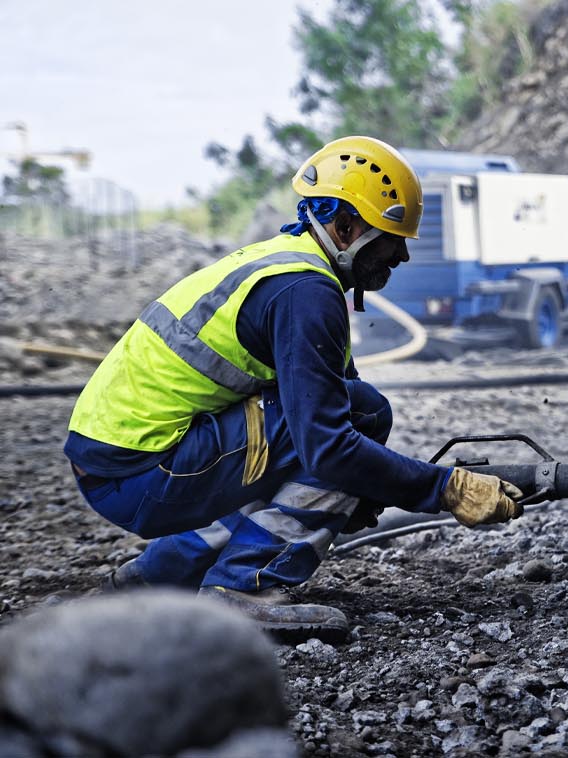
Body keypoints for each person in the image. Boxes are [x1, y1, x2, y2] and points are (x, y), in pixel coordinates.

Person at [64, 136, 523, 641]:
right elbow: (331, 448)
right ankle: (243, 588)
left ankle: (159, 574)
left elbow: (351, 398)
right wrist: (445, 488)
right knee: (341, 441)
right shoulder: (305, 293)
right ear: (346, 227)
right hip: (138, 475)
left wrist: (376, 483)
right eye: (394, 236)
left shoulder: (292, 266)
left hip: (120, 461)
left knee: (361, 414)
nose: (404, 255)